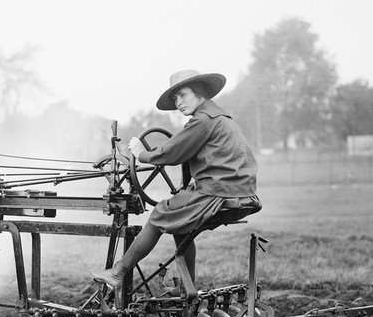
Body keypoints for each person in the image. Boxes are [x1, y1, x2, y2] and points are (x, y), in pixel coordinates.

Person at [90, 69, 261, 289]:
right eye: (175, 98)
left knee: (160, 213)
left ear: (200, 93)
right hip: (241, 193)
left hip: (222, 194)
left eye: (183, 95)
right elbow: (204, 157)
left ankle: (117, 272)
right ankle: (187, 289)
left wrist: (141, 154)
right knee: (181, 225)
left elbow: (173, 153)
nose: (178, 102)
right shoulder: (219, 118)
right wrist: (189, 183)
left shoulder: (203, 120)